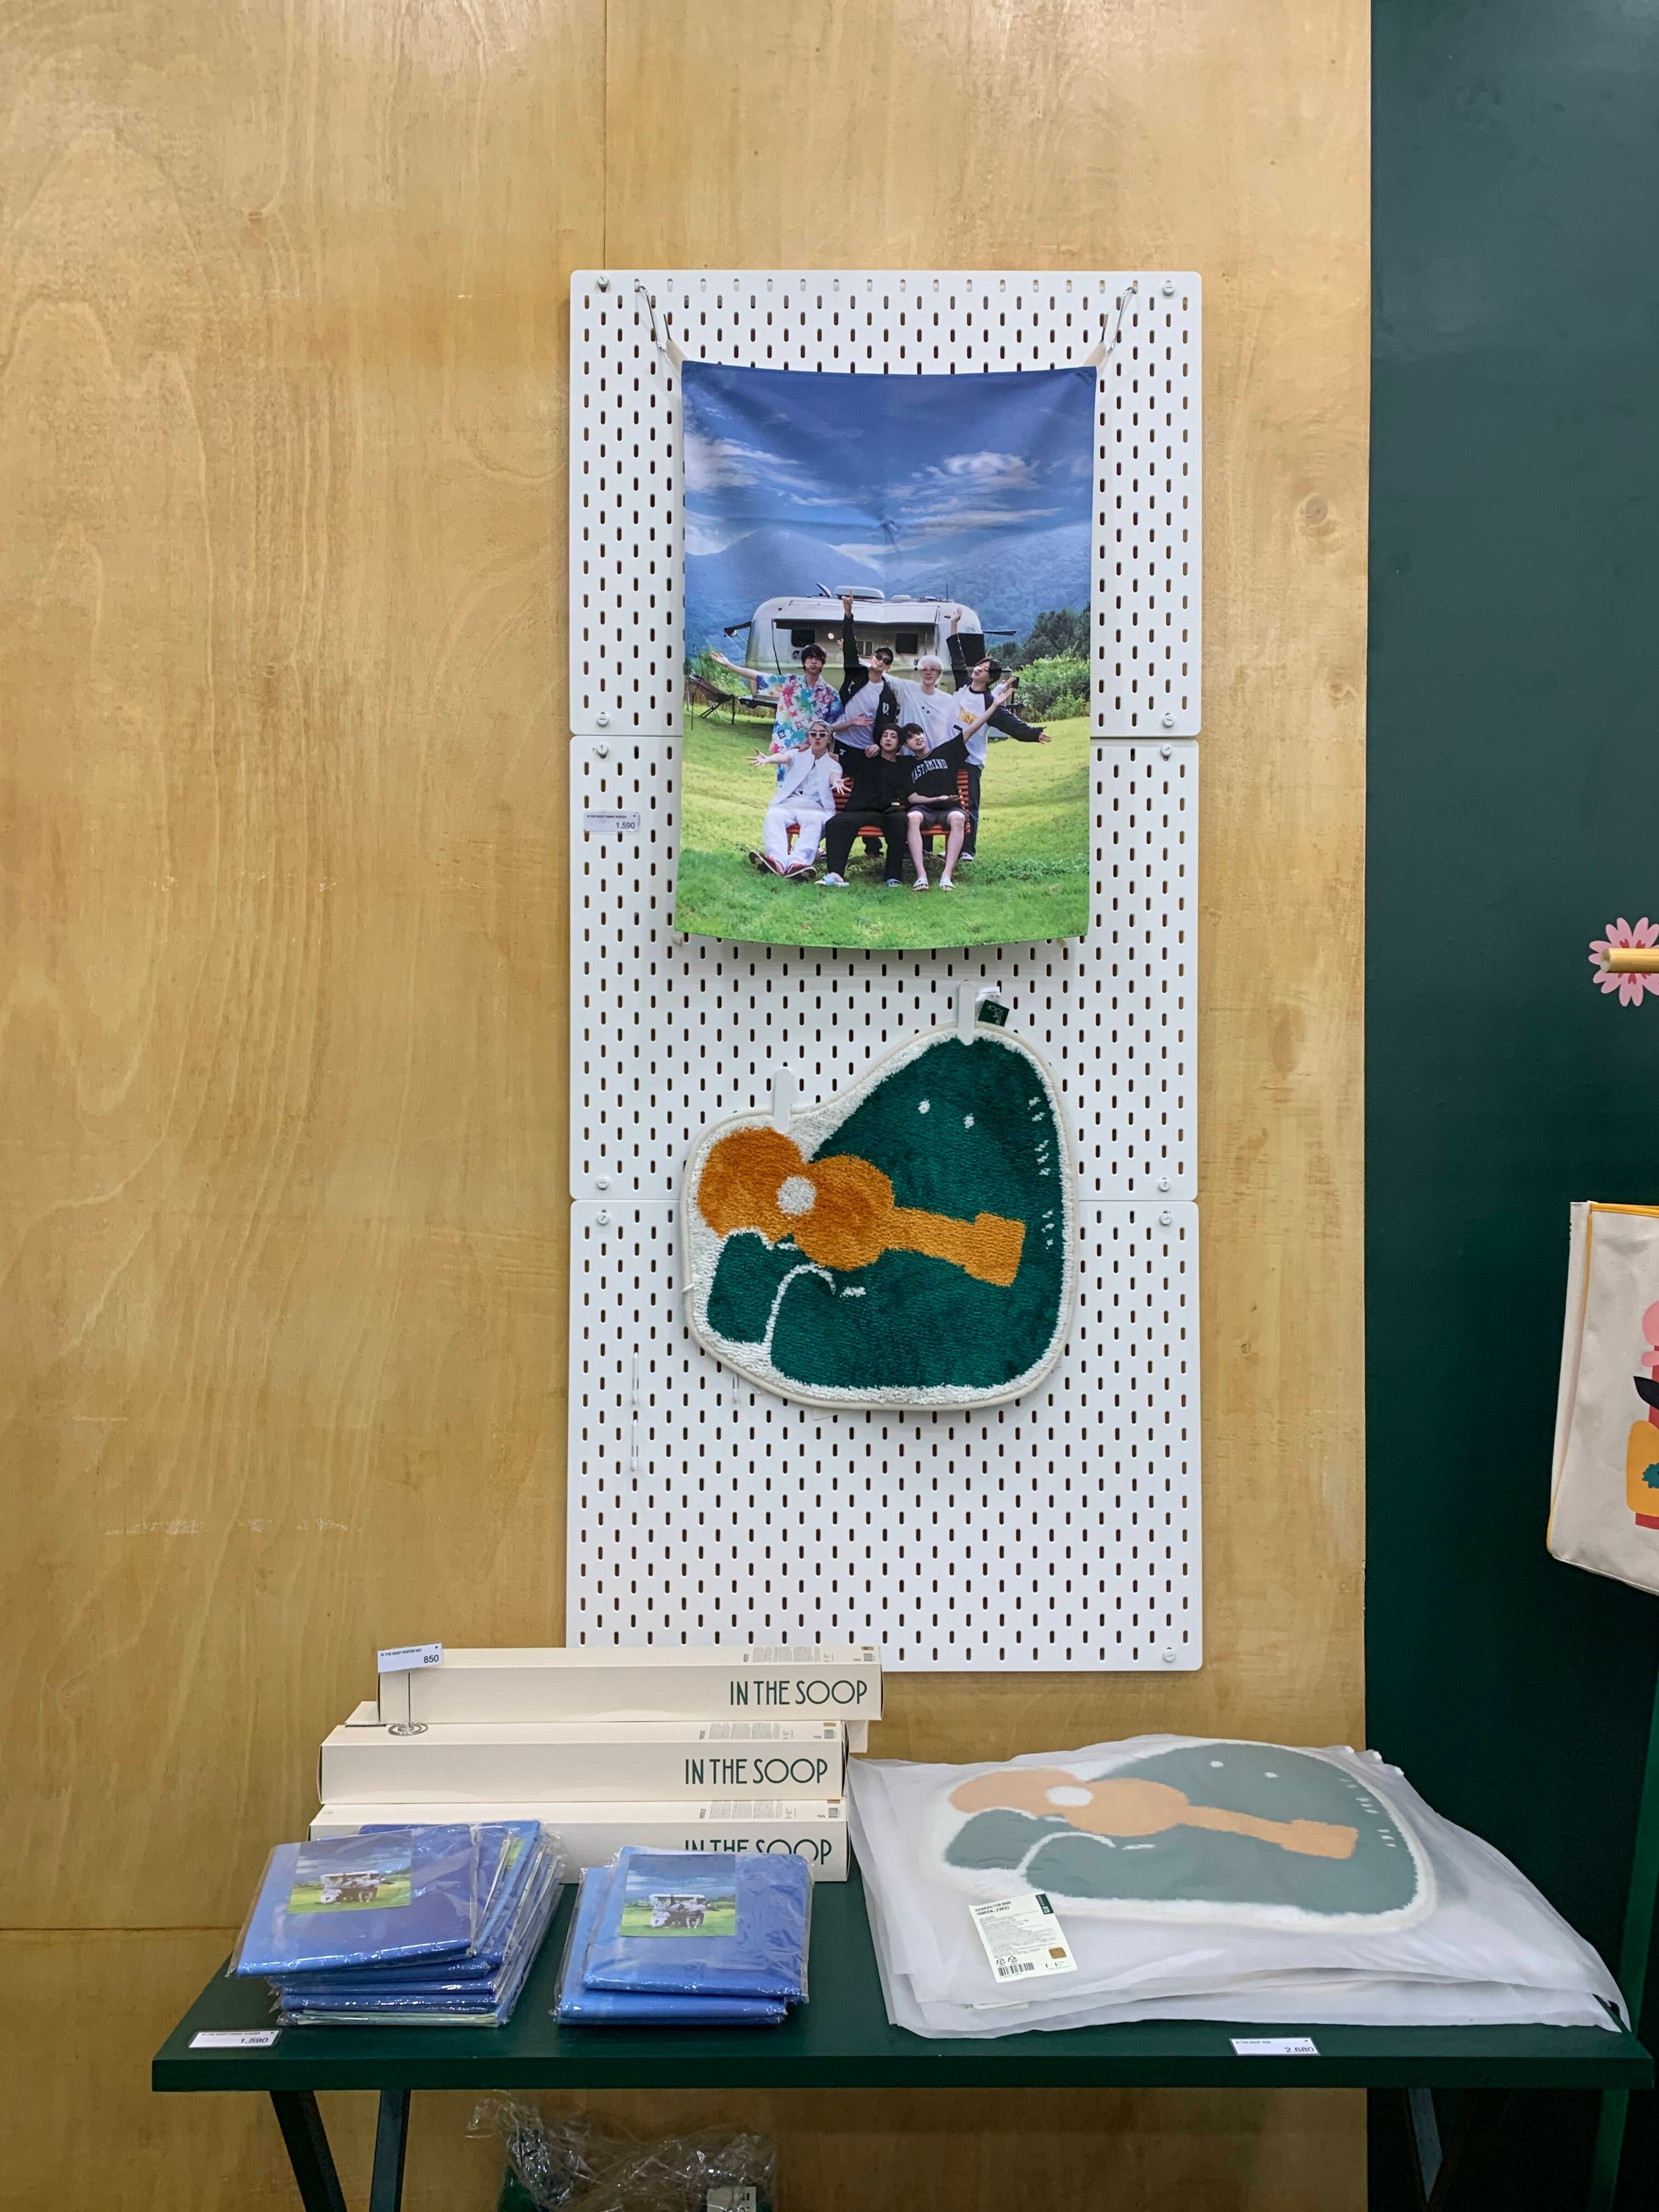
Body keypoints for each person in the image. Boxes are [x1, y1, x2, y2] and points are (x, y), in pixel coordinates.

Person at [946, 608, 1051, 863]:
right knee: (947, 805)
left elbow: (1011, 725)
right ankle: (951, 848)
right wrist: (954, 626)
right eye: (979, 665)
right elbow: (957, 657)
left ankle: (968, 850)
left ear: (990, 678)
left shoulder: (989, 702)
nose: (979, 669)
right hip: (948, 756)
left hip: (970, 761)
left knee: (969, 804)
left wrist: (1034, 734)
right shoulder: (962, 685)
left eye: (984, 669)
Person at [904, 685, 1012, 891]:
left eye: (919, 733)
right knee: (912, 817)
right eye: (910, 737)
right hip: (924, 810)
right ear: (906, 745)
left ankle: (947, 875)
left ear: (924, 735)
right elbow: (912, 799)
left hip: (949, 809)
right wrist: (937, 799)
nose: (917, 737)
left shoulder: (946, 751)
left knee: (959, 818)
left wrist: (994, 706)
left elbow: (972, 728)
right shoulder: (907, 765)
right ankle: (921, 875)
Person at [713, 643, 840, 783]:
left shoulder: (831, 694)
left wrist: (850, 725)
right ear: (804, 662)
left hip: (814, 751)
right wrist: (730, 666)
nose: (814, 662)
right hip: (787, 747)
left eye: (818, 659)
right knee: (784, 788)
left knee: (810, 789)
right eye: (810, 658)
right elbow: (759, 676)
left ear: (823, 663)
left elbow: (837, 724)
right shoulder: (789, 683)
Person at [819, 724, 913, 888]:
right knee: (836, 823)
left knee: (899, 821)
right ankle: (836, 875)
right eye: (885, 735)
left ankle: (893, 877)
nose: (888, 739)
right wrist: (812, 749)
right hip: (859, 810)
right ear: (880, 741)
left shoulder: (905, 765)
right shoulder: (866, 759)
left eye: (893, 736)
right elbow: (835, 758)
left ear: (900, 744)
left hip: (888, 812)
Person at [749, 721, 844, 878]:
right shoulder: (797, 754)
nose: (818, 737)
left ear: (829, 739)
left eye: (822, 735)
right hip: (790, 803)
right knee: (774, 815)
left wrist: (836, 782)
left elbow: (834, 775)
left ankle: (798, 864)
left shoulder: (833, 764)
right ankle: (777, 861)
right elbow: (784, 757)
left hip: (814, 807)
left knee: (814, 821)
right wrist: (768, 759)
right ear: (809, 737)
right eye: (813, 734)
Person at [836, 592, 901, 749]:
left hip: (868, 748)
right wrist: (848, 615)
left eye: (886, 661)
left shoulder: (888, 696)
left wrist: (879, 745)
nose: (881, 661)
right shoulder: (855, 673)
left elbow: (888, 724)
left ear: (888, 668)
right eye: (879, 657)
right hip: (843, 741)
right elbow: (850, 646)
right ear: (872, 657)